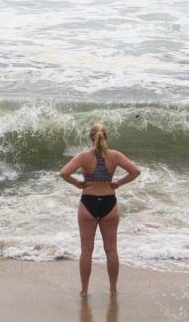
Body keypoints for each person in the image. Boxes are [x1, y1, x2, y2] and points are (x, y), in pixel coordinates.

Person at [60, 122, 141, 297]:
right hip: (109, 203)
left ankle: (84, 290)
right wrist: (118, 183)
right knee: (111, 250)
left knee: (86, 250)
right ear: (106, 137)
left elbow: (64, 173)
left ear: (90, 138)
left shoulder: (83, 157)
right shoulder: (115, 155)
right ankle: (113, 290)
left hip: (88, 202)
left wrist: (78, 184)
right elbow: (135, 171)